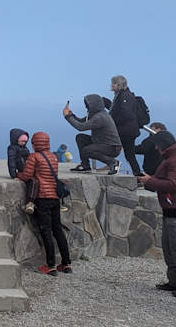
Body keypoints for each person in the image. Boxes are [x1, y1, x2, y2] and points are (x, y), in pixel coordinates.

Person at [138, 131, 176, 298]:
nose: (156, 148)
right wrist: (150, 182)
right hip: (172, 210)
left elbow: (172, 184)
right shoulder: (174, 157)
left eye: (157, 145)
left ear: (163, 145)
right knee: (170, 249)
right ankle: (175, 282)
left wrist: (149, 181)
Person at [16, 132, 71, 275]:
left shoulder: (34, 157)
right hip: (54, 197)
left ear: (35, 144)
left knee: (46, 231)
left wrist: (18, 175)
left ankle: (51, 266)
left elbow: (27, 175)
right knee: (57, 230)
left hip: (42, 197)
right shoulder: (53, 157)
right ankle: (66, 264)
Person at [62, 94, 122, 174]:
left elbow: (80, 127)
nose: (86, 107)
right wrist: (71, 115)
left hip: (112, 147)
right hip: (103, 143)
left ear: (93, 105)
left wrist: (67, 117)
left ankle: (112, 162)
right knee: (80, 138)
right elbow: (81, 121)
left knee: (86, 151)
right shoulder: (96, 114)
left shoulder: (99, 117)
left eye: (88, 105)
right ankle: (85, 165)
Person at [107, 75, 143, 175]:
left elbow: (125, 113)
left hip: (125, 131)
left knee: (109, 146)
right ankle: (138, 174)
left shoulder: (124, 96)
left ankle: (112, 164)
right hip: (128, 130)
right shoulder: (122, 95)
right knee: (129, 154)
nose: (111, 85)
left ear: (118, 84)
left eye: (113, 83)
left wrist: (112, 122)